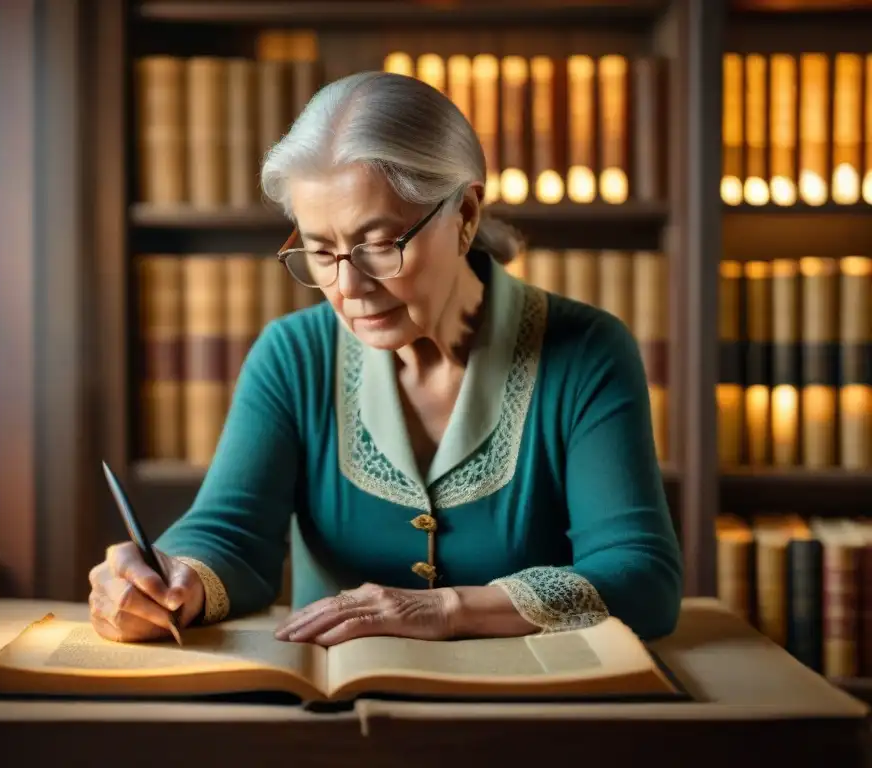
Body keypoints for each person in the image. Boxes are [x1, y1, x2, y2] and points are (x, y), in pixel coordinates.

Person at [88, 71, 683, 647]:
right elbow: (231, 534)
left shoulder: (587, 352)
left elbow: (642, 577)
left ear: (466, 216)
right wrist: (171, 578)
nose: (348, 287)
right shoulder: (293, 355)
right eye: (321, 251)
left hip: (531, 718)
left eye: (378, 245)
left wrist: (446, 608)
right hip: (336, 724)